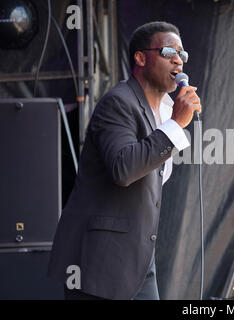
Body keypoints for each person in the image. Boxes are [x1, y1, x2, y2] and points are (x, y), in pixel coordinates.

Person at [48, 21, 201, 300]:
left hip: (138, 258)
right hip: (101, 260)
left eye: (182, 54)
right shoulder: (118, 103)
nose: (178, 59)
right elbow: (124, 168)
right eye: (168, 52)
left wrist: (173, 122)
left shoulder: (165, 111)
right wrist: (177, 125)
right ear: (140, 58)